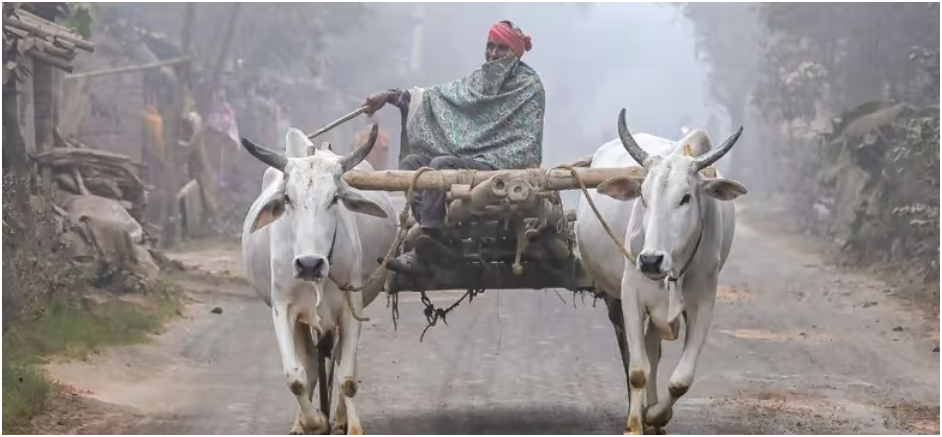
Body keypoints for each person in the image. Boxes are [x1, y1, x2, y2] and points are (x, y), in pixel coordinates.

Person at [363, 20, 546, 276]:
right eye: (490, 46)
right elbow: (442, 99)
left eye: (501, 49)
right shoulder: (479, 80)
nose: (493, 54)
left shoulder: (529, 85)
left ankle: (429, 241)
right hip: (467, 159)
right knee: (412, 164)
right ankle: (438, 241)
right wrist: (391, 96)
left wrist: (489, 156)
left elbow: (525, 145)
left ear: (515, 53)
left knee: (440, 168)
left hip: (502, 165)